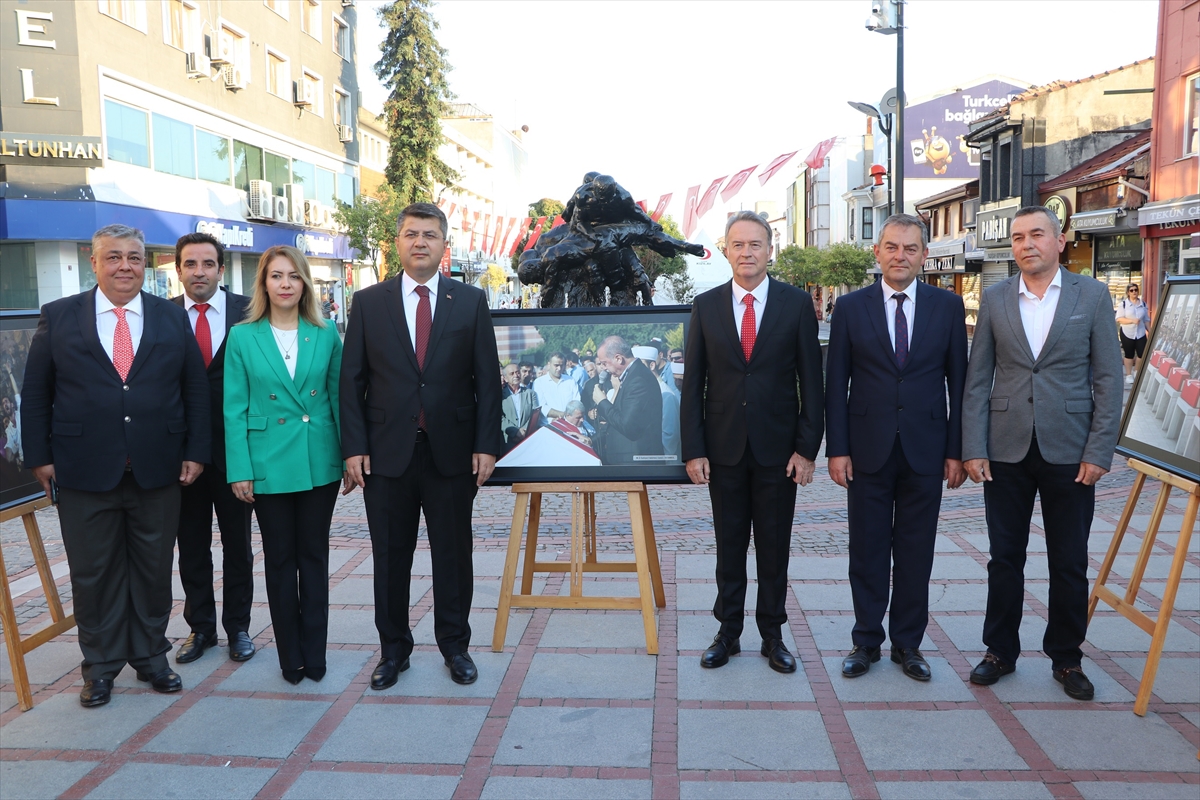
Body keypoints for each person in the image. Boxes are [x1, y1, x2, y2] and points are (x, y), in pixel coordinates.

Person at [21, 224, 209, 707]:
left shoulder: (171, 316)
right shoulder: (60, 316)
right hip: (83, 470)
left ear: (145, 262)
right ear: (94, 260)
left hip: (158, 468)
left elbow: (194, 389)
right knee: (93, 574)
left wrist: (195, 450)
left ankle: (151, 657)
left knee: (152, 570)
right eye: (114, 257)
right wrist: (39, 457)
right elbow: (37, 393)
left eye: (134, 257)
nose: (125, 265)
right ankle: (100, 667)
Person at [962, 206, 1123, 701]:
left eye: (1036, 235)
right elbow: (977, 379)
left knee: (1069, 560)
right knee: (1004, 558)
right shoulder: (994, 298)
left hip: (1071, 451)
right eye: (1017, 238)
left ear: (1060, 241)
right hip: (1006, 449)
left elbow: (1109, 378)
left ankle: (1067, 657)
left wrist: (1099, 450)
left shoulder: (1091, 295)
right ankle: (999, 652)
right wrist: (973, 446)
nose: (1026, 244)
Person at [341, 202, 503, 689]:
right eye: (411, 233)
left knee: (453, 555)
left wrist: (486, 445)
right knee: (391, 556)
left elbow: (488, 382)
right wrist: (353, 447)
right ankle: (393, 651)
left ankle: (455, 647)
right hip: (386, 454)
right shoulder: (369, 302)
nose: (420, 242)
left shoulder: (470, 301)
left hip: (451, 453)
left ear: (443, 244)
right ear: (398, 242)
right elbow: (351, 382)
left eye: (429, 235)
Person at [825, 214, 968, 682]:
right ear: (877, 252)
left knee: (915, 551)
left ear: (925, 255)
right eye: (891, 247)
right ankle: (866, 640)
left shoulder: (947, 307)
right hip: (866, 451)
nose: (900, 255)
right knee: (866, 550)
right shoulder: (849, 309)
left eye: (910, 248)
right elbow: (835, 385)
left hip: (927, 452)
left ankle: (908, 644)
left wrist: (956, 451)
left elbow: (959, 383)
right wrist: (837, 449)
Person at [680, 211, 824, 674]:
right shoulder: (705, 306)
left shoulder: (796, 304)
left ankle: (773, 634)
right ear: (726, 250)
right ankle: (728, 632)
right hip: (722, 450)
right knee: (729, 545)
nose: (746, 252)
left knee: (774, 545)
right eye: (738, 245)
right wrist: (694, 449)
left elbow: (812, 383)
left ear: (769, 249)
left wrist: (806, 449)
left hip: (778, 452)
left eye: (755, 244)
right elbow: (694, 384)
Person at [224, 246, 345, 685]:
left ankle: (315, 655)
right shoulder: (242, 336)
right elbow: (233, 408)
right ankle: (289, 658)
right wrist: (239, 468)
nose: (286, 284)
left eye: (294, 276)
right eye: (276, 276)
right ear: (264, 283)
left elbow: (338, 399)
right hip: (266, 462)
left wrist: (349, 456)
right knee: (279, 560)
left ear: (306, 283)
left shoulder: (326, 332)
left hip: (318, 461)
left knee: (313, 558)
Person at [171, 232, 256, 665]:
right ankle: (199, 628)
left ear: (221, 269)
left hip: (237, 451)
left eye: (207, 264)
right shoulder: (162, 315)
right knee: (191, 544)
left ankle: (238, 627)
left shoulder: (250, 310)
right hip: (183, 455)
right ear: (178, 269)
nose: (199, 272)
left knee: (238, 544)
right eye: (190, 264)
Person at [593, 336, 664, 465]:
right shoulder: (630, 376)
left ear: (619, 358)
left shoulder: (638, 379)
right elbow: (618, 417)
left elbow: (627, 425)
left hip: (635, 462)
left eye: (604, 363)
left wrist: (602, 401)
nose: (603, 368)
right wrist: (591, 440)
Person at [634, 345, 681, 460]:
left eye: (639, 366)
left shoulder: (666, 395)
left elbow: (670, 437)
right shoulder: (642, 392)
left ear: (652, 365)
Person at [1115, 283, 1149, 386]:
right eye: (1132, 290)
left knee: (1142, 353)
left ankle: (1137, 371)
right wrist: (1132, 321)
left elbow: (1146, 320)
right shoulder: (1124, 304)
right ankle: (1129, 375)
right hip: (1127, 332)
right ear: (1128, 293)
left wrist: (1151, 331)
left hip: (1140, 333)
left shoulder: (1143, 304)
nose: (1134, 292)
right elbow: (1119, 319)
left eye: (1136, 290)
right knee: (1129, 354)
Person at [532, 352, 580, 423]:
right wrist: (563, 415)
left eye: (562, 365)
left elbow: (576, 402)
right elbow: (541, 407)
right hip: (548, 425)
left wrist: (568, 417)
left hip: (570, 424)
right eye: (556, 365)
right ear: (549, 364)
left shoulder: (571, 380)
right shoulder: (539, 382)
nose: (559, 368)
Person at [501, 362, 536, 449]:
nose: (516, 375)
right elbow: (499, 417)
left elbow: (535, 414)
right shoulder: (500, 395)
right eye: (512, 374)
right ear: (505, 378)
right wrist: (516, 432)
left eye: (517, 372)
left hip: (527, 439)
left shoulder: (530, 393)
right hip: (508, 441)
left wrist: (524, 432)